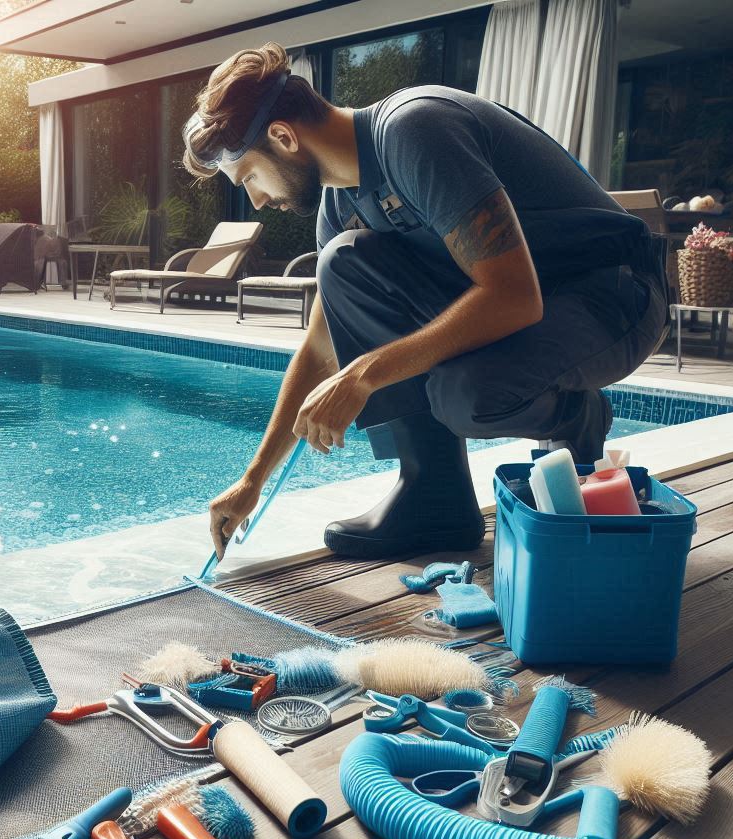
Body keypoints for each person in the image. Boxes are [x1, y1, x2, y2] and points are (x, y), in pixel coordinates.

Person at [186, 43, 668, 562]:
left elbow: (513, 298)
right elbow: (321, 349)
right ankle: (433, 496)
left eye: (250, 178)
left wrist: (364, 374)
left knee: (465, 394)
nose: (257, 201)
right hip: (534, 308)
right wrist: (252, 480)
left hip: (616, 295)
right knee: (344, 261)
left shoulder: (415, 130)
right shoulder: (339, 206)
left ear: (283, 137)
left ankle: (577, 415)